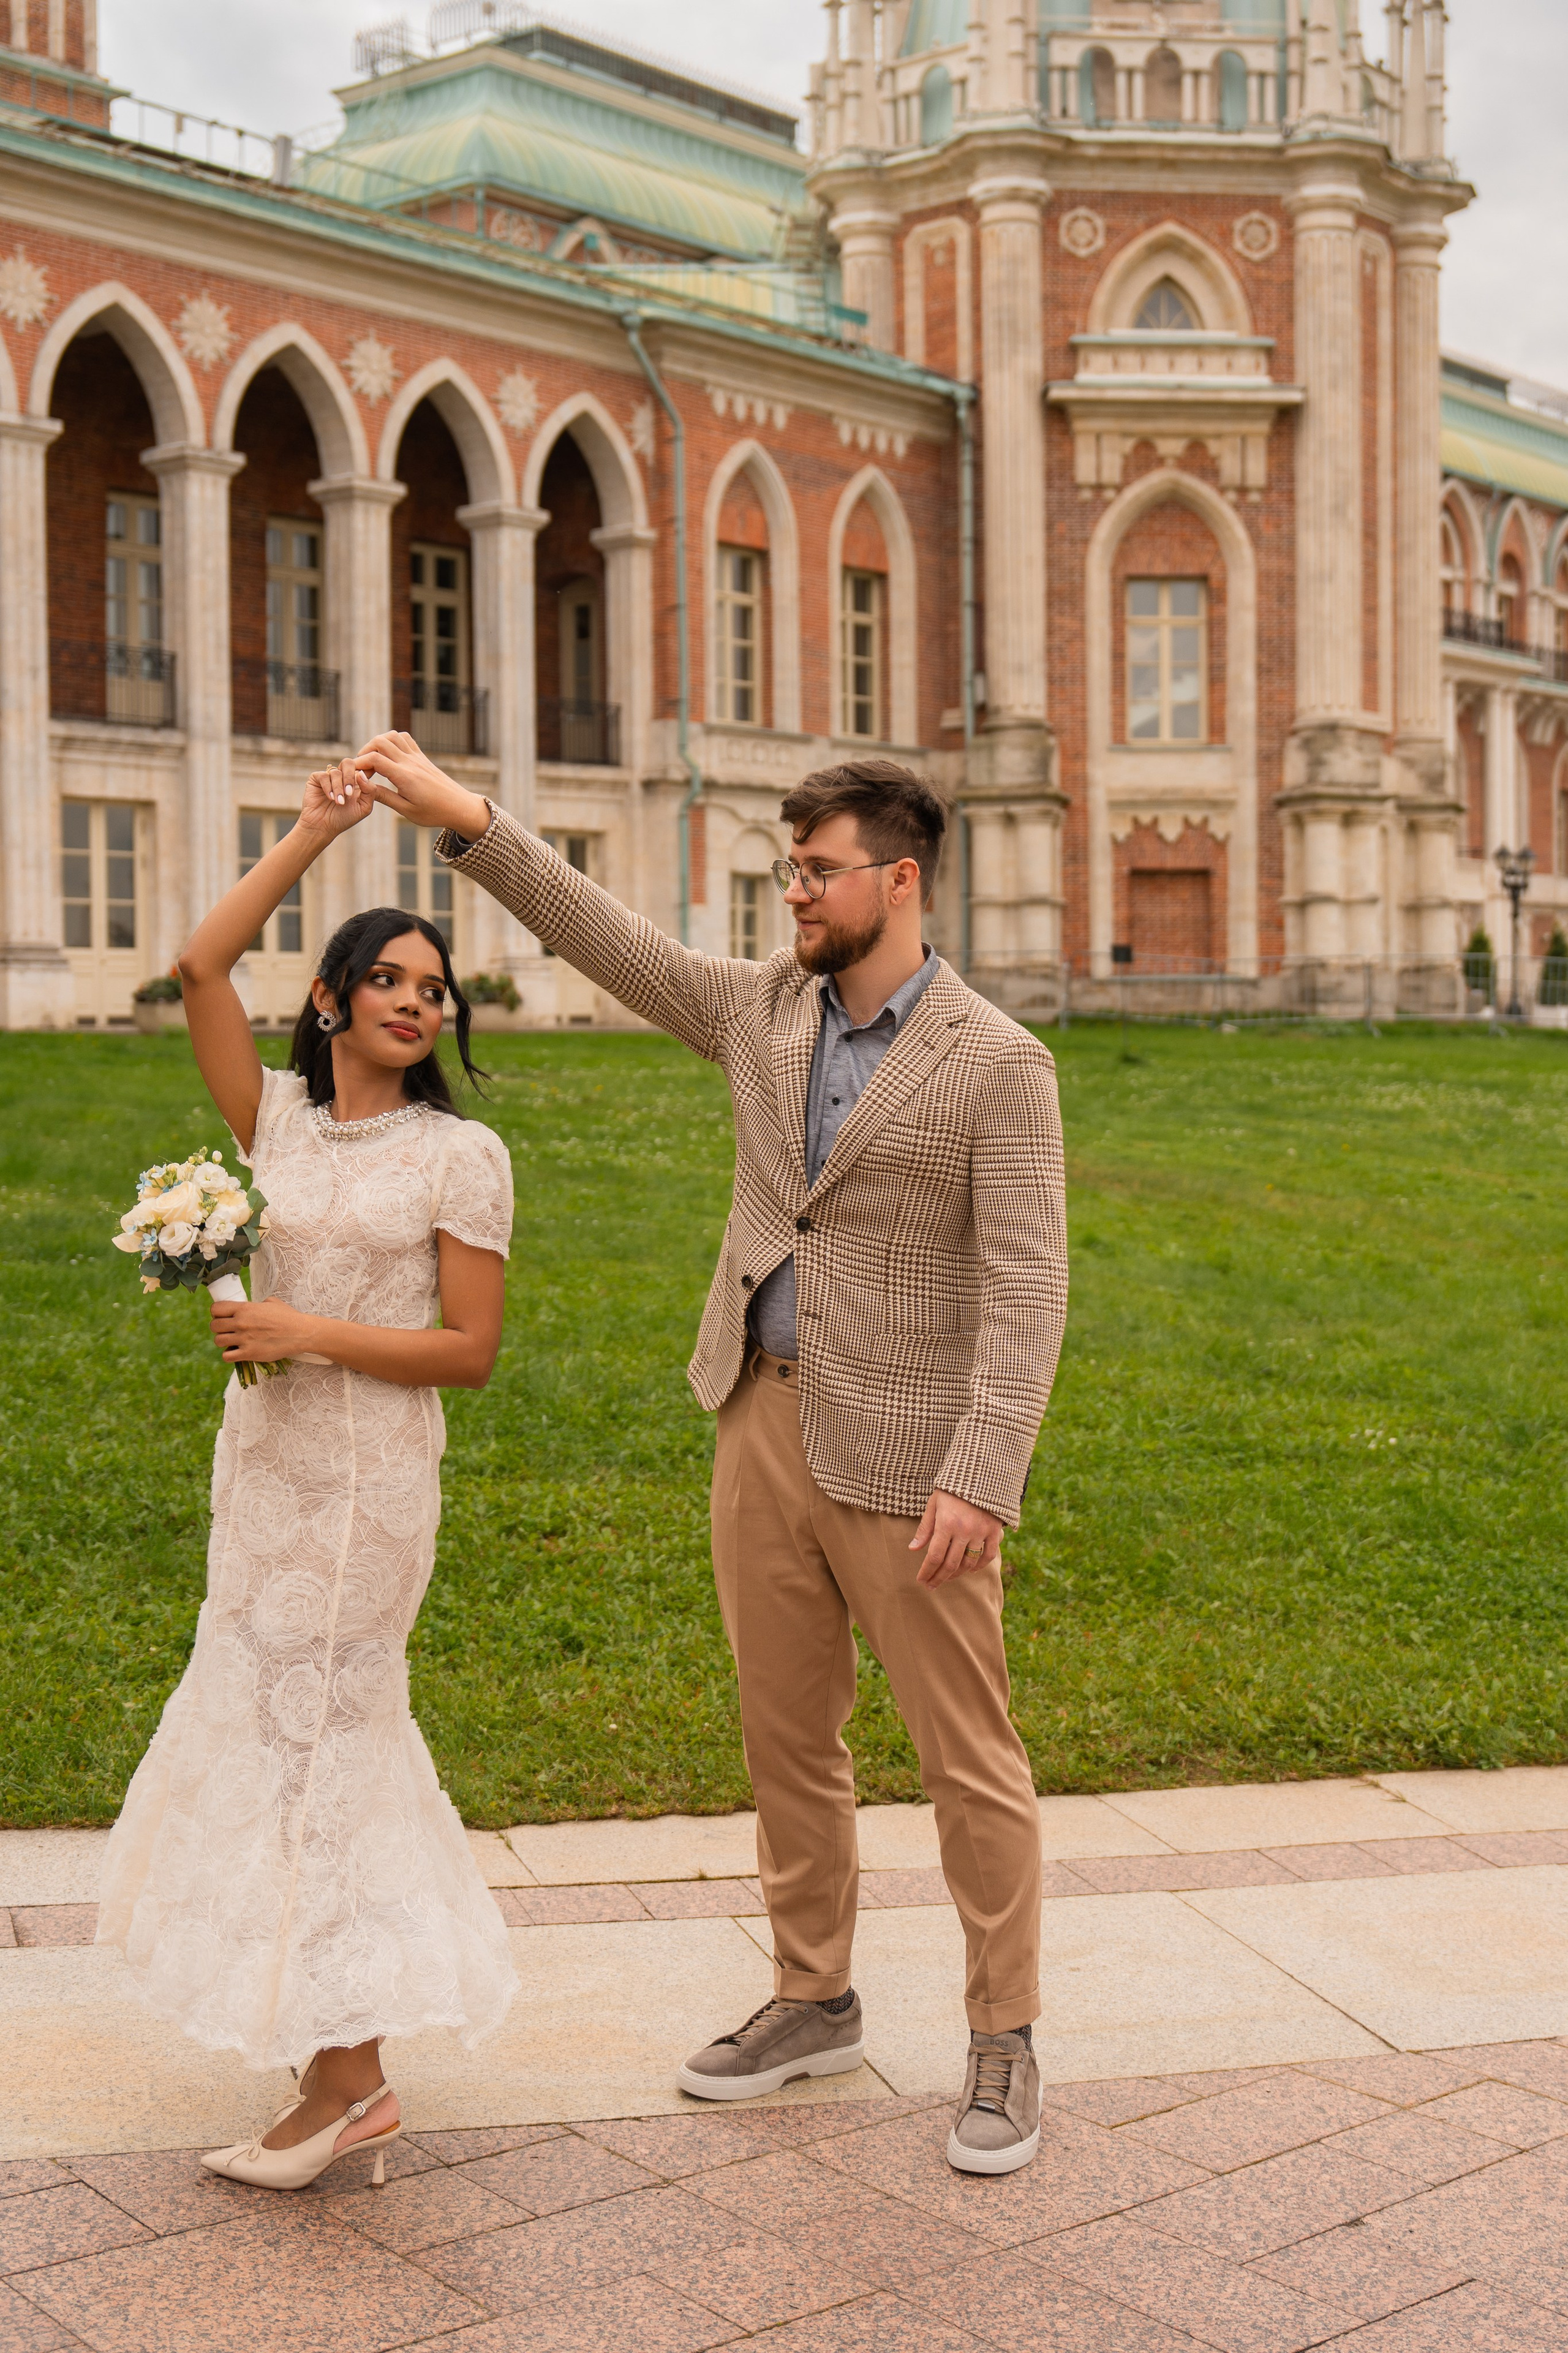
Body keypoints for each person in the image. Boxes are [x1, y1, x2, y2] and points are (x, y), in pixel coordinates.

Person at [352, 736, 1068, 2177]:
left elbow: (1029, 1283)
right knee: (785, 1734)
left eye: (816, 869)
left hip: (911, 1458)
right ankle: (814, 1996)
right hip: (759, 1412)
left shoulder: (999, 1064)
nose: (791, 890)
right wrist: (465, 820)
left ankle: (1003, 2038)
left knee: (965, 1760)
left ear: (899, 877)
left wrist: (982, 1473)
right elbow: (599, 933)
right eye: (788, 865)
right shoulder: (762, 1010)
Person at [96, 761, 519, 2192]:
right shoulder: (272, 1121)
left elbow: (468, 1352)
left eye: (434, 986)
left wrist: (301, 1329)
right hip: (262, 1478)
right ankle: (334, 2055)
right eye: (389, 979)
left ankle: (349, 2082)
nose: (417, 1001)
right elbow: (198, 962)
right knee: (275, 1749)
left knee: (319, 1751)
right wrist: (316, 832)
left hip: (365, 1497)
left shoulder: (463, 1155)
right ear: (333, 1000)